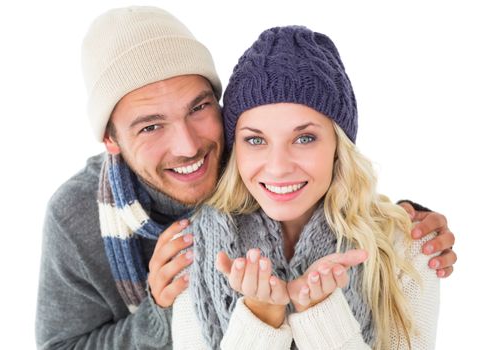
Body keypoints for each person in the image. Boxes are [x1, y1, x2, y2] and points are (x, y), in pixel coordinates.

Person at [35, 6, 456, 350]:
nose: (187, 146)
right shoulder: (81, 217)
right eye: (150, 126)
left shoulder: (244, 155)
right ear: (111, 139)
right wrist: (162, 313)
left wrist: (400, 225)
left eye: (198, 108)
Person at [171, 25, 441, 349]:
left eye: (304, 138)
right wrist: (261, 318)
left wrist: (321, 314)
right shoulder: (193, 248)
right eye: (255, 140)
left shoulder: (407, 246)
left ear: (338, 146)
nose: (278, 166)